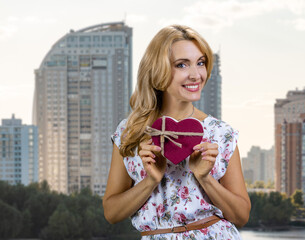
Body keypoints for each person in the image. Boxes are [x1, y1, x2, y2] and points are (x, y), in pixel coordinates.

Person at [103, 25, 251, 239]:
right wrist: (151, 180)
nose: (196, 75)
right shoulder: (131, 132)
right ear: (158, 69)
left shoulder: (221, 133)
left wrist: (205, 178)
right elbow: (111, 212)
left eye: (200, 63)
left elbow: (241, 215)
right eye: (182, 65)